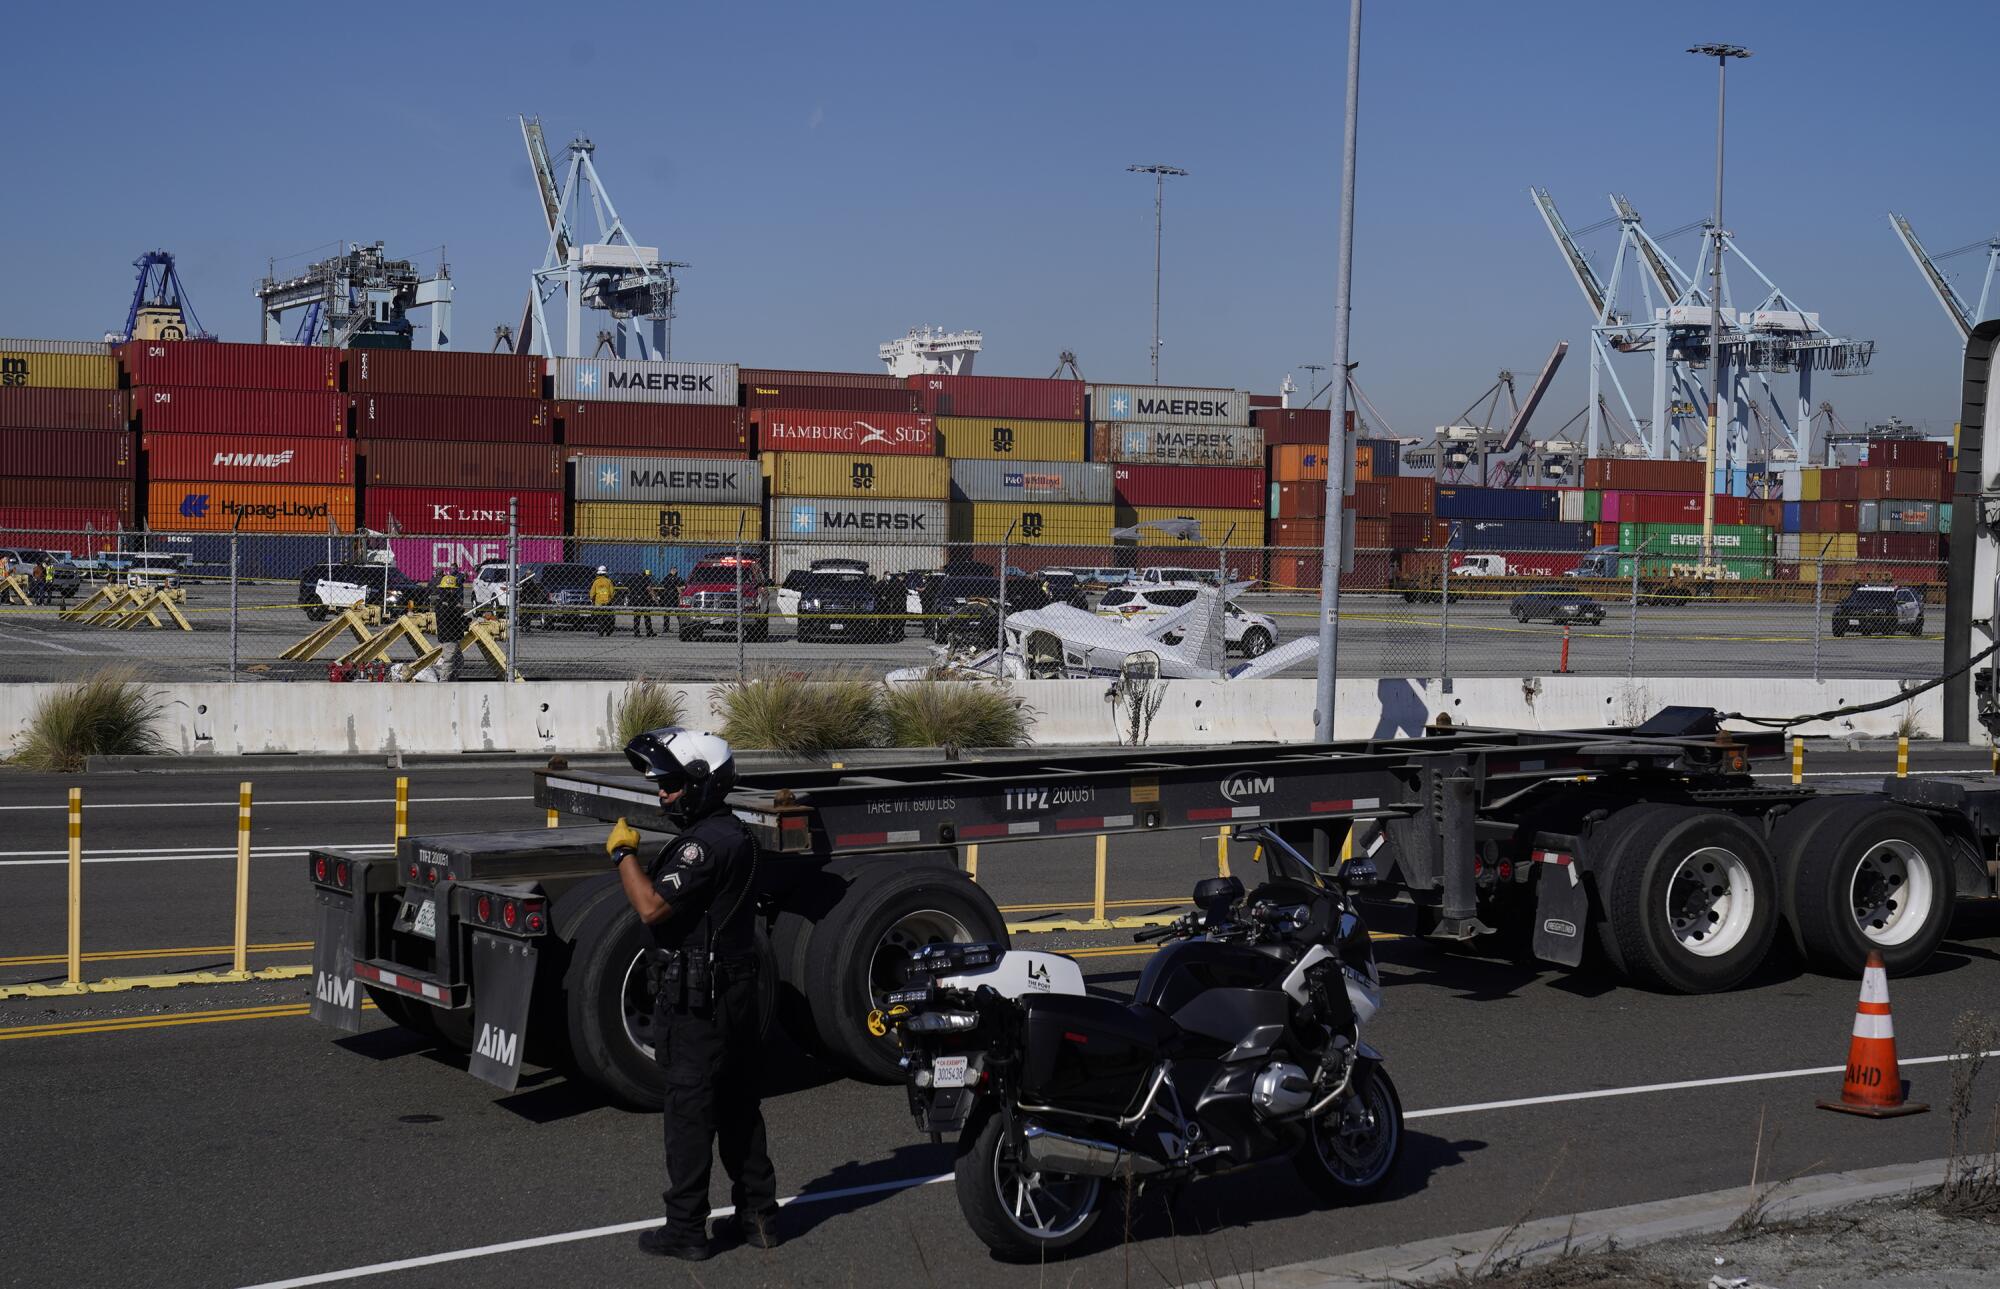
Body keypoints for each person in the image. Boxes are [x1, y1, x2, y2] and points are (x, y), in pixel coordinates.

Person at [608, 728, 779, 1262]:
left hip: (697, 1000)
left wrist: (622, 856)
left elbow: (652, 908)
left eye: (672, 785)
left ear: (703, 784)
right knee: (738, 1104)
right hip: (735, 990)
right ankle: (759, 1217)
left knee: (689, 1109)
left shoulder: (704, 843)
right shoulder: (739, 835)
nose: (662, 794)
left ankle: (685, 1228)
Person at [431, 568, 467, 679]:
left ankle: (452, 679)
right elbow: (448, 615)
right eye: (450, 589)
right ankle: (444, 681)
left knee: (458, 661)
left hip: (452, 635)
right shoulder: (444, 603)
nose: (452, 591)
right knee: (449, 660)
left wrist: (462, 618)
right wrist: (459, 610)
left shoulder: (447, 601)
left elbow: (454, 617)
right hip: (449, 636)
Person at [627, 567, 658, 638]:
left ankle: (636, 632)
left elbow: (629, 589)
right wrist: (655, 598)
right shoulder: (646, 579)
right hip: (644, 600)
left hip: (635, 600)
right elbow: (649, 589)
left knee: (636, 616)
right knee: (647, 616)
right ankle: (649, 632)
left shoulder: (633, 579)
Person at [590, 565, 618, 637]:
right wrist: (611, 599)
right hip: (607, 602)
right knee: (607, 617)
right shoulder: (608, 581)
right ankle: (608, 631)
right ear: (605, 573)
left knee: (599, 618)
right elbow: (612, 592)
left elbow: (592, 593)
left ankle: (600, 632)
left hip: (598, 602)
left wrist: (592, 600)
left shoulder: (596, 582)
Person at [659, 567, 684, 635]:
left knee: (667, 613)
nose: (675, 571)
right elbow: (678, 587)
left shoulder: (666, 578)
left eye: (675, 570)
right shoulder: (675, 578)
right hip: (673, 597)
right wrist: (681, 594)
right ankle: (681, 627)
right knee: (677, 613)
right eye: (674, 570)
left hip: (668, 597)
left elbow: (663, 584)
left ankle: (666, 628)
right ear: (671, 571)